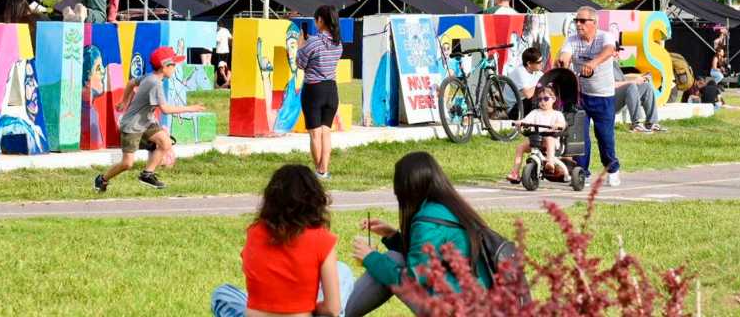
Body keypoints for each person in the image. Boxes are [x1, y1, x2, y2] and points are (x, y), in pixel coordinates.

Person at [346, 151, 491, 316]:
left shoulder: (427, 222)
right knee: (395, 258)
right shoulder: (449, 208)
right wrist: (392, 235)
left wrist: (370, 257)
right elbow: (426, 256)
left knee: (392, 260)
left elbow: (412, 282)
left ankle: (340, 313)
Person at [211, 164, 353, 317]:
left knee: (223, 293)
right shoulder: (322, 239)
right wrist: (311, 307)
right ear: (315, 199)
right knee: (342, 271)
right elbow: (332, 309)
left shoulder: (254, 232)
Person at [95, 46, 204, 191]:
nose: (175, 68)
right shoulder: (155, 83)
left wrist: (124, 101)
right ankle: (101, 179)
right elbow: (165, 109)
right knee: (127, 164)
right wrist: (190, 108)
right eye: (173, 65)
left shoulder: (150, 76)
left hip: (146, 122)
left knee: (165, 142)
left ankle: (147, 174)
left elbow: (132, 82)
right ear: (164, 66)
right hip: (132, 126)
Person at [556, 6, 621, 186]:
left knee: (605, 136)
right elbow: (565, 54)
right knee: (578, 136)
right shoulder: (572, 39)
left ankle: (612, 169)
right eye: (576, 21)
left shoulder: (604, 36)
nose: (578, 24)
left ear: (594, 22)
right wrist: (564, 61)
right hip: (580, 96)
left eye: (582, 21)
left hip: (603, 95)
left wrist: (593, 63)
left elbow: (609, 50)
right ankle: (582, 172)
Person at [297, 5, 343, 180]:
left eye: (316, 20)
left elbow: (300, 64)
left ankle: (320, 171)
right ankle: (324, 169)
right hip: (331, 89)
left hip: (313, 89)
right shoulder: (337, 43)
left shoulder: (313, 42)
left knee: (315, 133)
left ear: (321, 20)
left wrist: (301, 45)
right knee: (326, 132)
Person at [506, 86, 567, 183]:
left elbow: (562, 124)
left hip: (551, 142)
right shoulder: (535, 112)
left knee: (549, 138)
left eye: (546, 99)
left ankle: (550, 162)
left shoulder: (557, 114)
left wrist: (557, 125)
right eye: (540, 99)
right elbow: (526, 121)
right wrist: (520, 122)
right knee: (520, 147)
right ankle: (515, 172)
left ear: (553, 99)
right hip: (536, 141)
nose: (543, 102)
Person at [613, 66, 665, 133]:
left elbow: (622, 80)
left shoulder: (613, 63)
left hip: (620, 97)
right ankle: (636, 124)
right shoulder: (602, 66)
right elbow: (611, 85)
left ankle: (651, 123)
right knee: (631, 86)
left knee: (646, 86)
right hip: (609, 101)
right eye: (615, 54)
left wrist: (639, 77)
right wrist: (633, 81)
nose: (617, 55)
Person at [505, 47, 544, 114]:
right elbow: (528, 94)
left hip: (522, 104)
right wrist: (540, 83)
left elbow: (546, 81)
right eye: (538, 62)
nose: (541, 64)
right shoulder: (520, 72)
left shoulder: (537, 72)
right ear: (529, 63)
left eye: (542, 61)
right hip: (512, 109)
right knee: (536, 100)